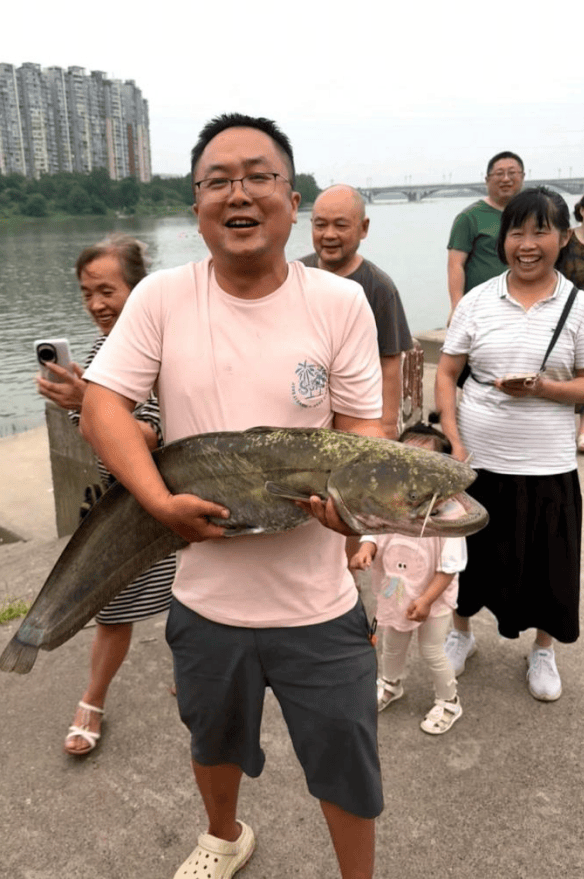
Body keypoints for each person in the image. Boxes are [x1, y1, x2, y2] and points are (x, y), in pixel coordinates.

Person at [80, 113, 385, 879]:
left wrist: (347, 510)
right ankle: (224, 835)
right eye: (217, 180)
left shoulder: (339, 303)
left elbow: (359, 426)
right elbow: (102, 405)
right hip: (206, 597)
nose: (237, 193)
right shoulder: (161, 298)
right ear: (195, 206)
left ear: (291, 198)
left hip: (318, 600)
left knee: (345, 757)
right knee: (211, 740)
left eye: (258, 176)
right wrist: (155, 501)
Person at [435, 187, 584, 703]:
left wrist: (545, 388)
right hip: (478, 461)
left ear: (563, 237)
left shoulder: (581, 308)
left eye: (541, 232)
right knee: (466, 557)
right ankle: (461, 635)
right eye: (516, 233)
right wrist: (453, 438)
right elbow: (447, 370)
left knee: (549, 563)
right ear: (503, 240)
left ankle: (543, 649)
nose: (527, 244)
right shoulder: (477, 300)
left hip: (547, 462)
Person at [37, 234, 176, 756]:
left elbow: (153, 439)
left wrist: (84, 403)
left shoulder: (162, 351)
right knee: (112, 612)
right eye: (85, 293)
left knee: (192, 604)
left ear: (137, 290)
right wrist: (81, 402)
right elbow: (102, 436)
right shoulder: (101, 353)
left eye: (106, 290)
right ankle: (92, 701)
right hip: (122, 503)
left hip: (163, 502)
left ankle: (194, 683)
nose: (96, 304)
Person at [350, 420, 466, 734]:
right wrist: (366, 551)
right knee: (391, 644)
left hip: (433, 600)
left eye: (423, 466)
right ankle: (390, 684)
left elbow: (448, 568)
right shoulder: (390, 505)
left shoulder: (451, 516)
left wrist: (426, 600)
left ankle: (449, 700)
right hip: (395, 595)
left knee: (432, 651)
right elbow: (374, 534)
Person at [300, 184, 412, 439]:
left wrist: (386, 427)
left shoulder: (379, 287)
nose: (329, 234)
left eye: (341, 225)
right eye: (320, 225)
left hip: (359, 414)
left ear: (363, 228)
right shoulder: (296, 274)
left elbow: (390, 362)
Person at [447, 151, 525, 318]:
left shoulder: (531, 215)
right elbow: (455, 265)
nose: (506, 179)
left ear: (523, 177)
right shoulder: (469, 217)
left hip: (524, 304)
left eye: (512, 173)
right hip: (483, 309)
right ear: (487, 180)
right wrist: (457, 307)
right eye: (499, 173)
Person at [556, 188, 584, 453]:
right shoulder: (566, 239)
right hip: (567, 312)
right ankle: (561, 426)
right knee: (566, 369)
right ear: (581, 209)